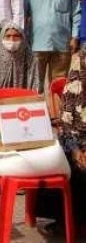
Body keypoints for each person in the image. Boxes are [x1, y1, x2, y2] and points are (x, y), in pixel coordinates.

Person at [35, 50, 86, 237]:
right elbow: (64, 126)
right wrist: (76, 152)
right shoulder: (73, 89)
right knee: (63, 161)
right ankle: (67, 222)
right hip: (75, 144)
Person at [24, 0, 81, 91]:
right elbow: (23, 15)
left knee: (59, 86)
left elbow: (75, 12)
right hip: (36, 44)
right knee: (35, 86)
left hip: (62, 43)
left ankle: (56, 113)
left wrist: (75, 36)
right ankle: (37, 112)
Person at [0, 23, 40, 90]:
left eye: (16, 36)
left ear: (22, 38)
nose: (12, 39)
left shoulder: (30, 58)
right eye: (8, 36)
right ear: (1, 38)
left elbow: (35, 84)